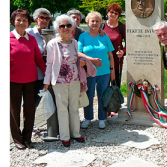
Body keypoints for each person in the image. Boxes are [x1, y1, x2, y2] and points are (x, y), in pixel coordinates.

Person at [43, 14, 86, 147]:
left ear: (72, 27)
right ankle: (65, 136)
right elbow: (49, 63)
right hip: (59, 82)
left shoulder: (74, 42)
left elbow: (76, 59)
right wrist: (46, 81)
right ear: (58, 28)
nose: (66, 28)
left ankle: (76, 133)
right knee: (62, 109)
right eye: (62, 26)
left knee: (74, 108)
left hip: (74, 80)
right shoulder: (52, 44)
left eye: (68, 25)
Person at [10, 9, 46, 150]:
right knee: (14, 110)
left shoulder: (31, 39)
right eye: (18, 20)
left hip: (31, 80)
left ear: (28, 23)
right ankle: (17, 139)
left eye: (24, 20)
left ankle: (27, 138)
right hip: (13, 81)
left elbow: (38, 59)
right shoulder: (8, 38)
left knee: (30, 110)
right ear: (13, 22)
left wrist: (48, 76)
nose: (21, 22)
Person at [78, 11, 115, 129]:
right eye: (92, 21)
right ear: (88, 23)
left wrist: (112, 70)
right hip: (89, 72)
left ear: (100, 23)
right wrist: (91, 59)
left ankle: (102, 118)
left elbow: (110, 55)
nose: (94, 23)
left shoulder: (104, 36)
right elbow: (79, 52)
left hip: (104, 72)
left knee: (103, 95)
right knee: (88, 95)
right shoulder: (83, 36)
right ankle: (88, 118)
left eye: (97, 21)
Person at [26, 8, 51, 109]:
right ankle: (25, 123)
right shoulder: (28, 33)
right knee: (28, 103)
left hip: (44, 75)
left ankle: (30, 123)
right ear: (36, 19)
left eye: (47, 18)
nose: (44, 20)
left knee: (36, 102)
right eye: (42, 18)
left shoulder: (52, 34)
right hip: (30, 75)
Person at [102, 3, 126, 88]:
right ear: (107, 12)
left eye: (116, 13)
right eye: (111, 12)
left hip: (117, 60)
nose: (113, 15)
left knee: (115, 85)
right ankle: (104, 101)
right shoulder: (101, 26)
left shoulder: (122, 27)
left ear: (118, 15)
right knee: (104, 85)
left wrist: (123, 52)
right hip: (103, 59)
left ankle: (116, 101)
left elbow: (129, 44)